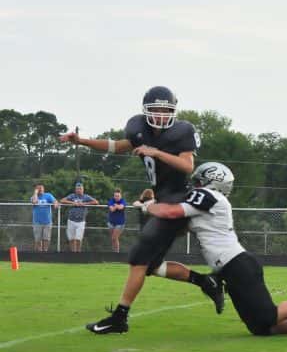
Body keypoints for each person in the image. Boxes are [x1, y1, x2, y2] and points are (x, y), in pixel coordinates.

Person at [59, 86, 222, 334]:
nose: (160, 115)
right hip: (162, 199)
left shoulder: (182, 131)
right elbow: (116, 146)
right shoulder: (139, 129)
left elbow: (187, 166)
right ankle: (206, 281)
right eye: (155, 109)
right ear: (146, 110)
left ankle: (119, 318)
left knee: (138, 259)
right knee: (152, 266)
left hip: (176, 200)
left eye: (165, 110)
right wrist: (81, 141)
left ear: (173, 111)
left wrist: (156, 152)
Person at [145, 162, 287, 337]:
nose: (195, 185)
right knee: (260, 327)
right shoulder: (206, 204)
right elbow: (179, 226)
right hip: (231, 267)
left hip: (237, 264)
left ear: (211, 182)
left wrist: (150, 206)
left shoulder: (209, 196)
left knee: (269, 315)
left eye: (199, 181)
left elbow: (174, 212)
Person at [59, 182, 98, 252]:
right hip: (71, 220)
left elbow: (96, 202)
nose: (79, 190)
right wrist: (73, 203)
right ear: (75, 190)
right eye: (77, 189)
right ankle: (73, 253)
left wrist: (84, 204)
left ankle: (78, 253)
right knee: (71, 239)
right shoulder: (72, 196)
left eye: (80, 189)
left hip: (81, 221)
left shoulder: (86, 197)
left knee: (78, 239)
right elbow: (62, 200)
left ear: (83, 189)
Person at [30, 183, 58, 252]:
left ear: (43, 188)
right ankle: (40, 253)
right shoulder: (33, 197)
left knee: (46, 238)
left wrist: (55, 203)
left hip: (47, 221)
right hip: (37, 222)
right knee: (38, 239)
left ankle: (45, 252)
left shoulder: (48, 195)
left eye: (41, 188)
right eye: (38, 188)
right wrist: (35, 193)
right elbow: (34, 202)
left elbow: (54, 201)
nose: (40, 189)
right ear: (36, 189)